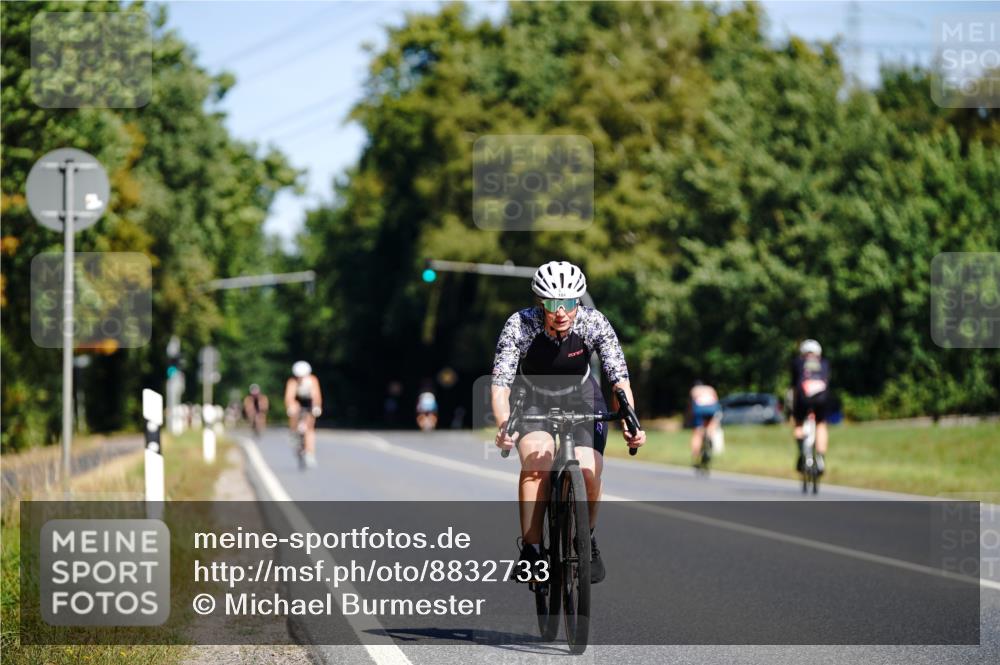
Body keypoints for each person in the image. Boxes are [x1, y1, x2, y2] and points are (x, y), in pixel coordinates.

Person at [491, 260, 645, 585]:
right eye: (552, 304)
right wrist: (504, 424)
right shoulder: (520, 325)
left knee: (590, 469)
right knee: (537, 463)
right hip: (534, 397)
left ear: (578, 301)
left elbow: (619, 377)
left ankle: (585, 540)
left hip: (581, 395)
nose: (561, 311)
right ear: (540, 303)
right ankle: (532, 551)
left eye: (569, 303)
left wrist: (630, 420)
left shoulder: (593, 323)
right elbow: (501, 383)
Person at [791, 339, 831, 474]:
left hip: (803, 398)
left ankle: (802, 454)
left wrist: (792, 407)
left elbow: (794, 386)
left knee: (798, 423)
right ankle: (821, 458)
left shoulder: (798, 362)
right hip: (821, 398)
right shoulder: (824, 363)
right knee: (821, 424)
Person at [284, 361, 323, 467]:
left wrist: (317, 407)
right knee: (293, 410)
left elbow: (316, 395)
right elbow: (289, 396)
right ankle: (293, 432)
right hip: (298, 401)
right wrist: (290, 407)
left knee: (309, 428)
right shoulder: (292, 381)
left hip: (309, 402)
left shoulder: (312, 380)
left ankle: (310, 453)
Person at [688, 380, 721, 467]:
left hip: (700, 409)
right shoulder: (710, 388)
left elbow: (692, 405)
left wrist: (690, 418)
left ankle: (695, 456)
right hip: (712, 408)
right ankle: (709, 436)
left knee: (697, 434)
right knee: (711, 426)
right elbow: (716, 401)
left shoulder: (694, 390)